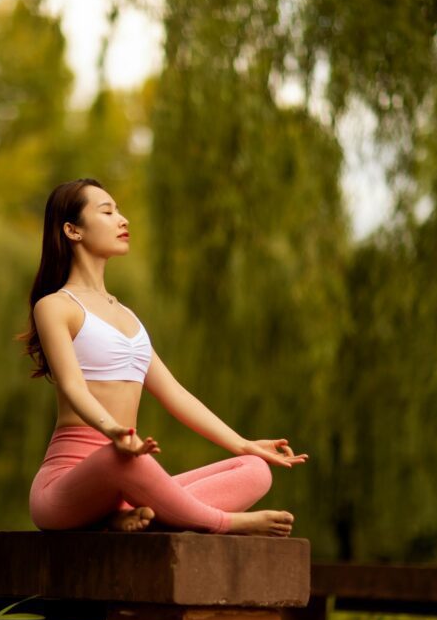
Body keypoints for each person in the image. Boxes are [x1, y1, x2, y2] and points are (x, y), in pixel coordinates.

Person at [18, 178, 307, 535]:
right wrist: (116, 433)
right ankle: (224, 523)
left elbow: (175, 395)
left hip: (127, 479)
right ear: (72, 230)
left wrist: (244, 443)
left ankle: (129, 520)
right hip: (68, 487)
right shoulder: (57, 306)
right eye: (107, 212)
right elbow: (73, 386)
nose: (123, 220)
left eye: (120, 211)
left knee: (254, 469)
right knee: (119, 458)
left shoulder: (127, 317)